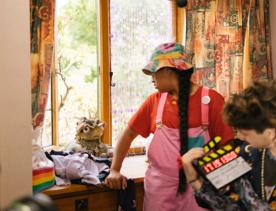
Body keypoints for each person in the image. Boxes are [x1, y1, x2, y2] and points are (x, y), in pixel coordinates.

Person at [105, 42, 234, 210]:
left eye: (154, 72)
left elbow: (226, 145)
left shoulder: (212, 100)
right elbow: (128, 135)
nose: (152, 78)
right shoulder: (154, 102)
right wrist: (115, 169)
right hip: (160, 189)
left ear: (168, 71)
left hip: (201, 188)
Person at [181, 80, 276, 211]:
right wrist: (195, 181)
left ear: (270, 133)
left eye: (245, 133)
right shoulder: (247, 154)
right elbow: (233, 207)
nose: (240, 138)